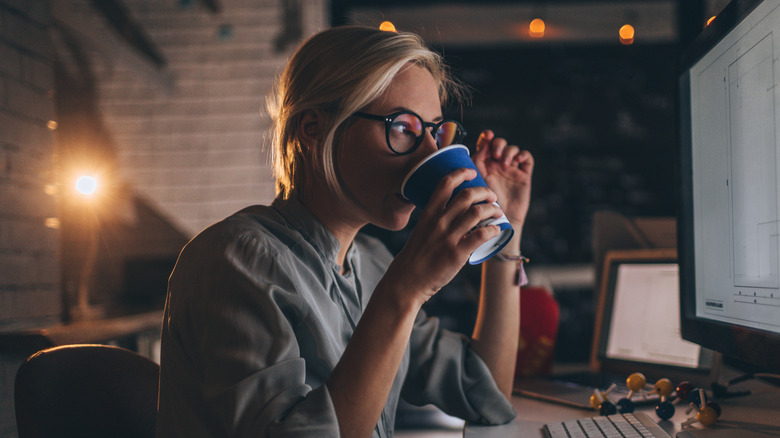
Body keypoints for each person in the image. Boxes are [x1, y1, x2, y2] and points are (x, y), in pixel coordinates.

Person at [155, 25, 534, 438]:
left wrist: (504, 234)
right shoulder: (234, 260)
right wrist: (405, 291)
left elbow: (487, 397)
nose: (430, 154)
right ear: (313, 128)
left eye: (435, 130)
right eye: (403, 127)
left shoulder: (369, 262)